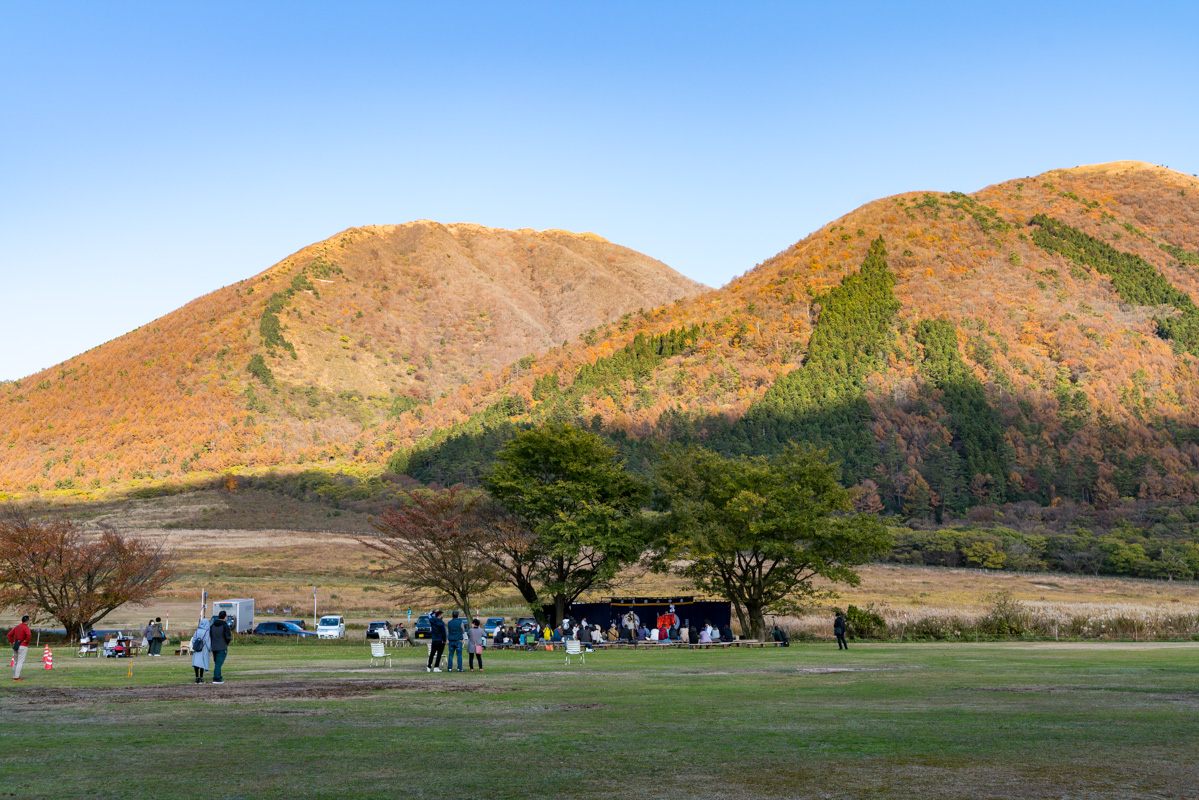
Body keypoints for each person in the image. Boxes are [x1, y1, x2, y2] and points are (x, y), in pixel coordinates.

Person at [209, 610, 232, 684]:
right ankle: (217, 678)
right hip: (222, 647)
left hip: (214, 646)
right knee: (218, 664)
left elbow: (210, 635)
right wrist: (226, 643)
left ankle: (217, 676)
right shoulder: (225, 626)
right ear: (225, 617)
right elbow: (228, 637)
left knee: (217, 663)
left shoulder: (213, 626)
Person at [8, 614, 31, 681]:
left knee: (15, 662)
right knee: (20, 662)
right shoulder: (26, 627)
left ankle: (15, 675)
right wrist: (26, 641)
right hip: (23, 645)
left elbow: (9, 635)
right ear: (27, 621)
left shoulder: (17, 627)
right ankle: (17, 677)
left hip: (16, 645)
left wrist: (13, 642)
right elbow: (29, 634)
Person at [191, 618, 212, 684]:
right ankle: (201, 678)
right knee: (202, 663)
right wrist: (210, 649)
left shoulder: (197, 631)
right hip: (204, 649)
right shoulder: (206, 632)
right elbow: (208, 641)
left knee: (196, 664)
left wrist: (195, 646)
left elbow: (193, 640)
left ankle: (196, 678)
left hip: (197, 649)